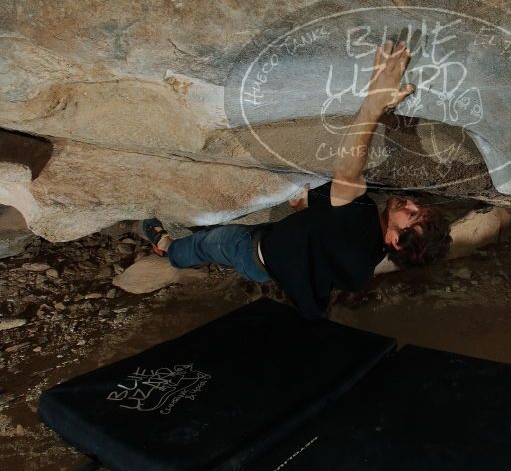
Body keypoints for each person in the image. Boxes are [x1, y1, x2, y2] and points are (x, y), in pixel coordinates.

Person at [140, 37, 452, 318]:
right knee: (224, 243)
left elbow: (347, 169)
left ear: (396, 240)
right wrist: (307, 214)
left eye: (411, 214)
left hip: (248, 249)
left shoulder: (360, 218)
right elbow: (328, 247)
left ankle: (168, 249)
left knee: (208, 243)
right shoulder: (362, 270)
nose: (409, 202)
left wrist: (373, 105)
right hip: (270, 264)